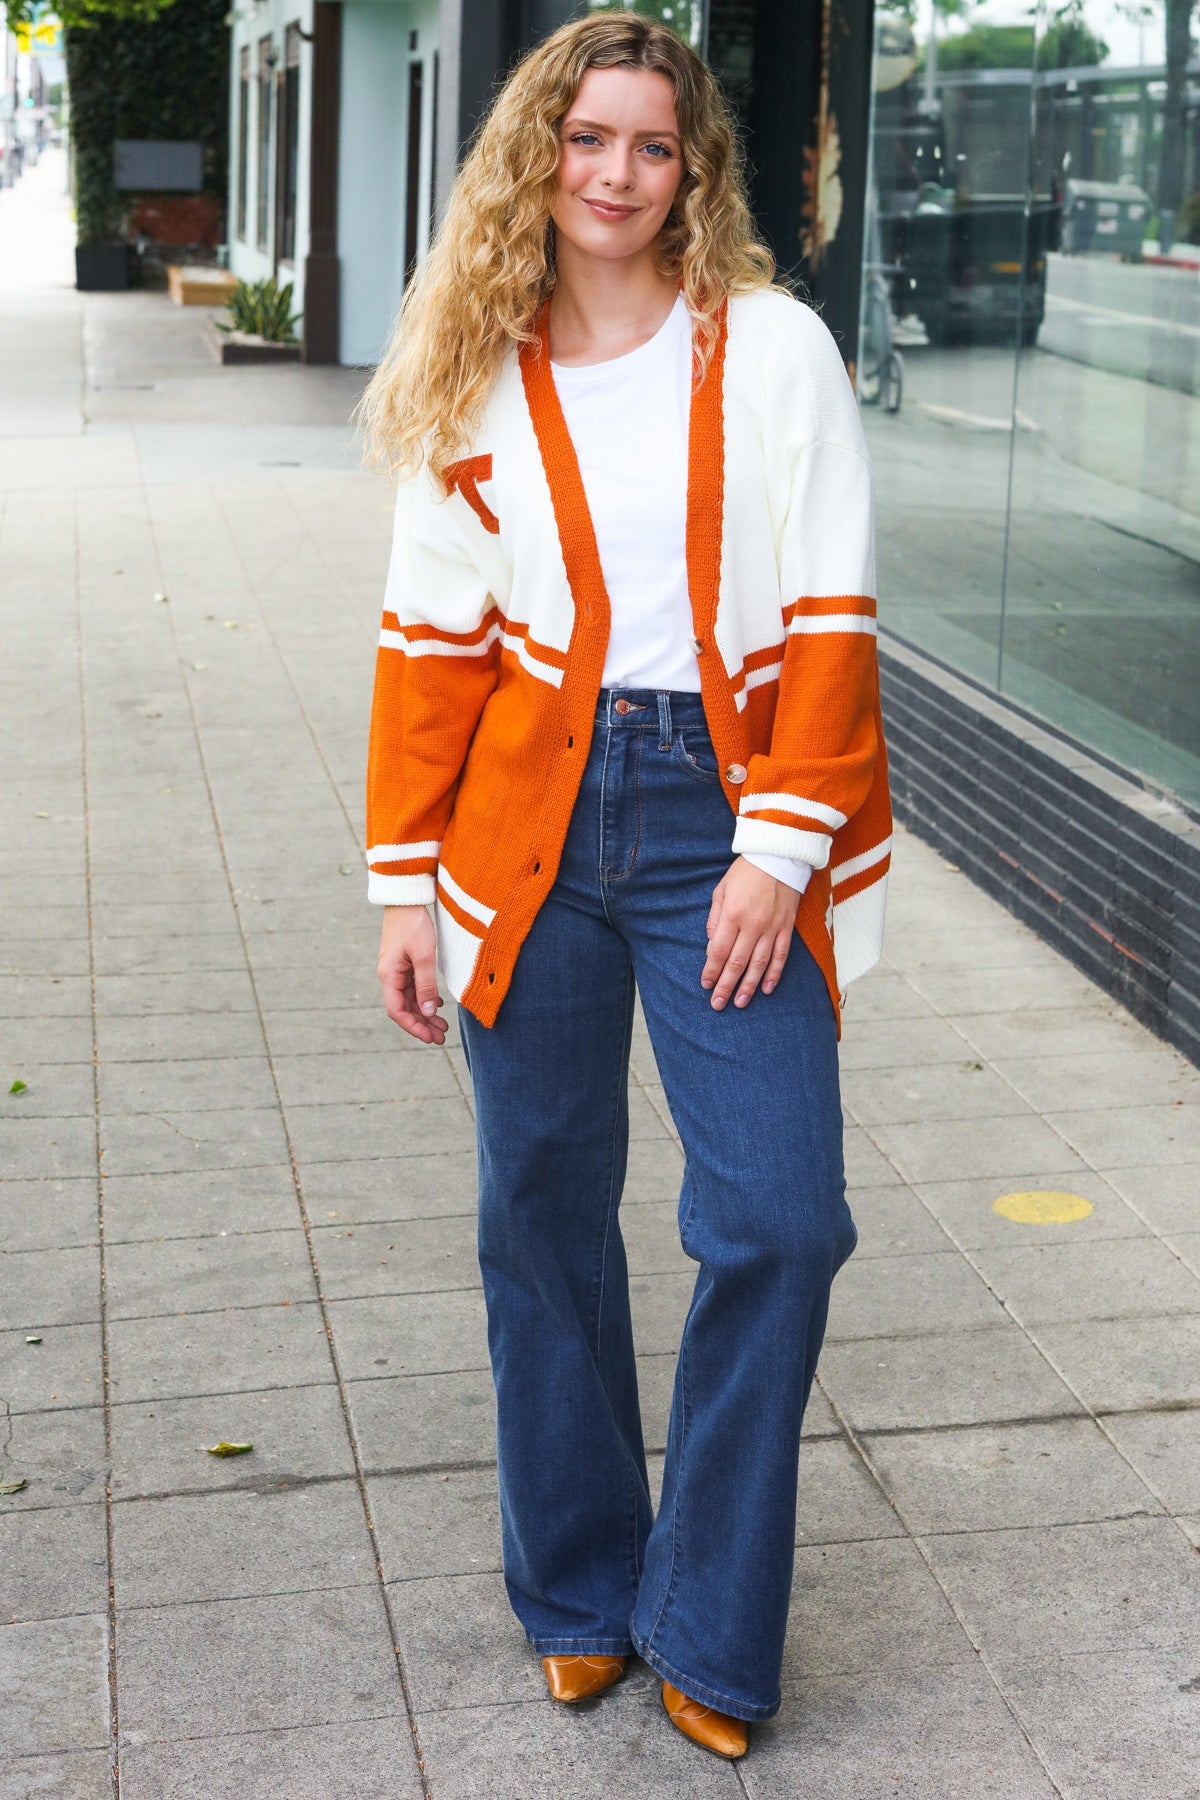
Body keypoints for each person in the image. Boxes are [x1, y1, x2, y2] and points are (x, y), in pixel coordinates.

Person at [359, 10, 890, 1762]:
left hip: (723, 814)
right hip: (526, 824)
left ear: (694, 170)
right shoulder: (477, 367)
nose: (615, 173)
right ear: (540, 152)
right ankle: (582, 1592)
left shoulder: (780, 352)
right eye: (586, 138)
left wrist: (778, 852)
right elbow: (430, 646)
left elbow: (827, 616)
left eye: (652, 145)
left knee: (783, 1218)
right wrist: (403, 886)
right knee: (541, 1212)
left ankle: (713, 1624)